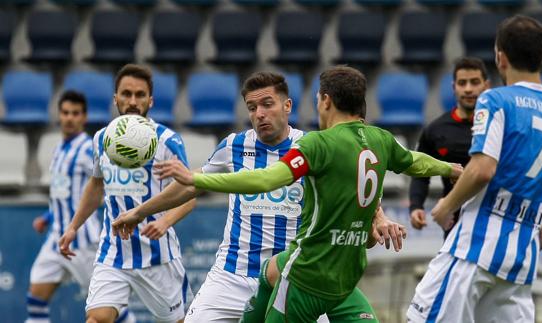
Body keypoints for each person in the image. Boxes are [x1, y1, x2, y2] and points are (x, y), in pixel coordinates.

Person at [112, 66, 462, 322]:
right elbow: (188, 184)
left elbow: (351, 186)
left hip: (295, 274)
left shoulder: (311, 146)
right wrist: (140, 212)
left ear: (288, 105)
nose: (259, 114)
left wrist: (379, 216)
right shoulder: (233, 146)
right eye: (252, 107)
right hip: (234, 273)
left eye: (267, 104)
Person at [407, 15, 542, 322]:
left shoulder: (496, 100)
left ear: (500, 57)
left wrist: (447, 205)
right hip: (522, 259)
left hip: (474, 249)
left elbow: (482, 169)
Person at [58, 64, 196, 323]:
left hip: (158, 256)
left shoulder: (167, 140)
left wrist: (165, 221)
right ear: (115, 98)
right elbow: (96, 185)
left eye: (140, 95)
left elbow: (190, 193)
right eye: (126, 94)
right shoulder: (102, 138)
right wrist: (73, 226)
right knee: (97, 319)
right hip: (114, 251)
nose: (133, 101)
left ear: (150, 100)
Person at [26, 91, 134, 323]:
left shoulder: (88, 148)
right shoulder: (58, 149)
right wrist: (48, 216)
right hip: (56, 239)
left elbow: (101, 187)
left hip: (83, 242)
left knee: (106, 307)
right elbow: (63, 193)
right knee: (36, 299)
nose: (69, 118)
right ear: (59, 116)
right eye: (65, 113)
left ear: (84, 117)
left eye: (75, 113)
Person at [409, 57, 490, 238]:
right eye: (462, 83)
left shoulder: (498, 126)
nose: (468, 88)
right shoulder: (435, 129)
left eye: (475, 82)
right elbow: (420, 172)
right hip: (453, 221)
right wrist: (416, 206)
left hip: (492, 218)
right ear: (454, 87)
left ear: (486, 85)